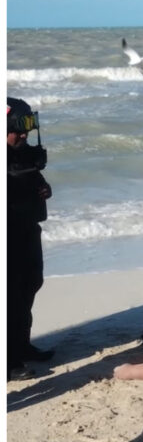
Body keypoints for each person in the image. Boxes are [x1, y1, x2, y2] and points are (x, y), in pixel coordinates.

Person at [8, 97, 55, 381]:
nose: (24, 134)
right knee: (9, 296)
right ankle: (9, 360)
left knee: (30, 284)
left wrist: (43, 188)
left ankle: (21, 346)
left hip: (27, 229)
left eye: (28, 127)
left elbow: (33, 177)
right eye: (18, 128)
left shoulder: (23, 152)